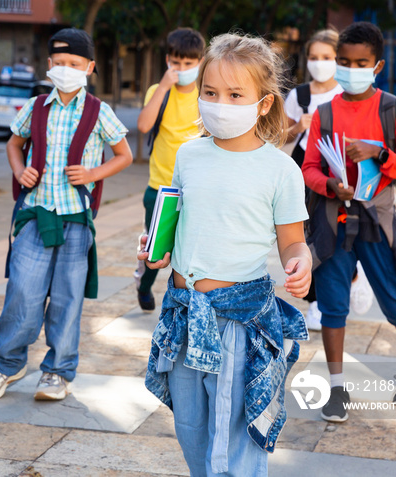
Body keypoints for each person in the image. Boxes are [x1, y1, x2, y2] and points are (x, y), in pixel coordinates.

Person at [139, 33, 311, 476]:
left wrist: (300, 260)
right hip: (182, 314)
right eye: (211, 93)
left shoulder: (280, 170)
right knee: (192, 430)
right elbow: (175, 222)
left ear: (264, 103)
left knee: (234, 439)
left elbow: (292, 240)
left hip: (238, 321)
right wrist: (157, 252)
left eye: (236, 94)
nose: (220, 103)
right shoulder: (188, 154)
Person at [0, 28, 133, 402]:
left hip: (76, 220)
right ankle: (7, 364)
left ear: (89, 67)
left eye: (74, 64)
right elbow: (14, 145)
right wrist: (19, 170)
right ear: (49, 65)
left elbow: (124, 154)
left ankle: (58, 372)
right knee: (22, 293)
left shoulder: (99, 112)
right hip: (35, 214)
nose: (66, 69)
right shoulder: (35, 107)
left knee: (66, 299)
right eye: (59, 63)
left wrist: (93, 174)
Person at [302, 21, 396, 423]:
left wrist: (379, 152)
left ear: (377, 66)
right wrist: (329, 185)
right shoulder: (324, 113)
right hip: (333, 221)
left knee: (395, 302)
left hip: (377, 221)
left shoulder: (393, 109)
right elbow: (307, 168)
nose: (350, 68)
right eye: (344, 62)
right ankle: (337, 390)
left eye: (360, 63)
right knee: (332, 306)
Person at [284, 29, 374, 331]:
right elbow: (276, 135)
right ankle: (315, 303)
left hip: (343, 172)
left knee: (344, 232)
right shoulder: (300, 96)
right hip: (306, 173)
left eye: (327, 57)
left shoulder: (347, 94)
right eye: (313, 57)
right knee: (311, 236)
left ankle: (354, 275)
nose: (319, 63)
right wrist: (298, 126)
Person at [134, 27, 205, 312]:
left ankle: (188, 298)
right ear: (167, 61)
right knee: (157, 245)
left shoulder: (205, 94)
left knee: (191, 246)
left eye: (189, 64)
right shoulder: (157, 91)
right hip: (160, 186)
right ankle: (145, 285)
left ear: (200, 63)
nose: (182, 69)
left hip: (196, 186)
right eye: (176, 63)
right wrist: (163, 86)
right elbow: (142, 125)